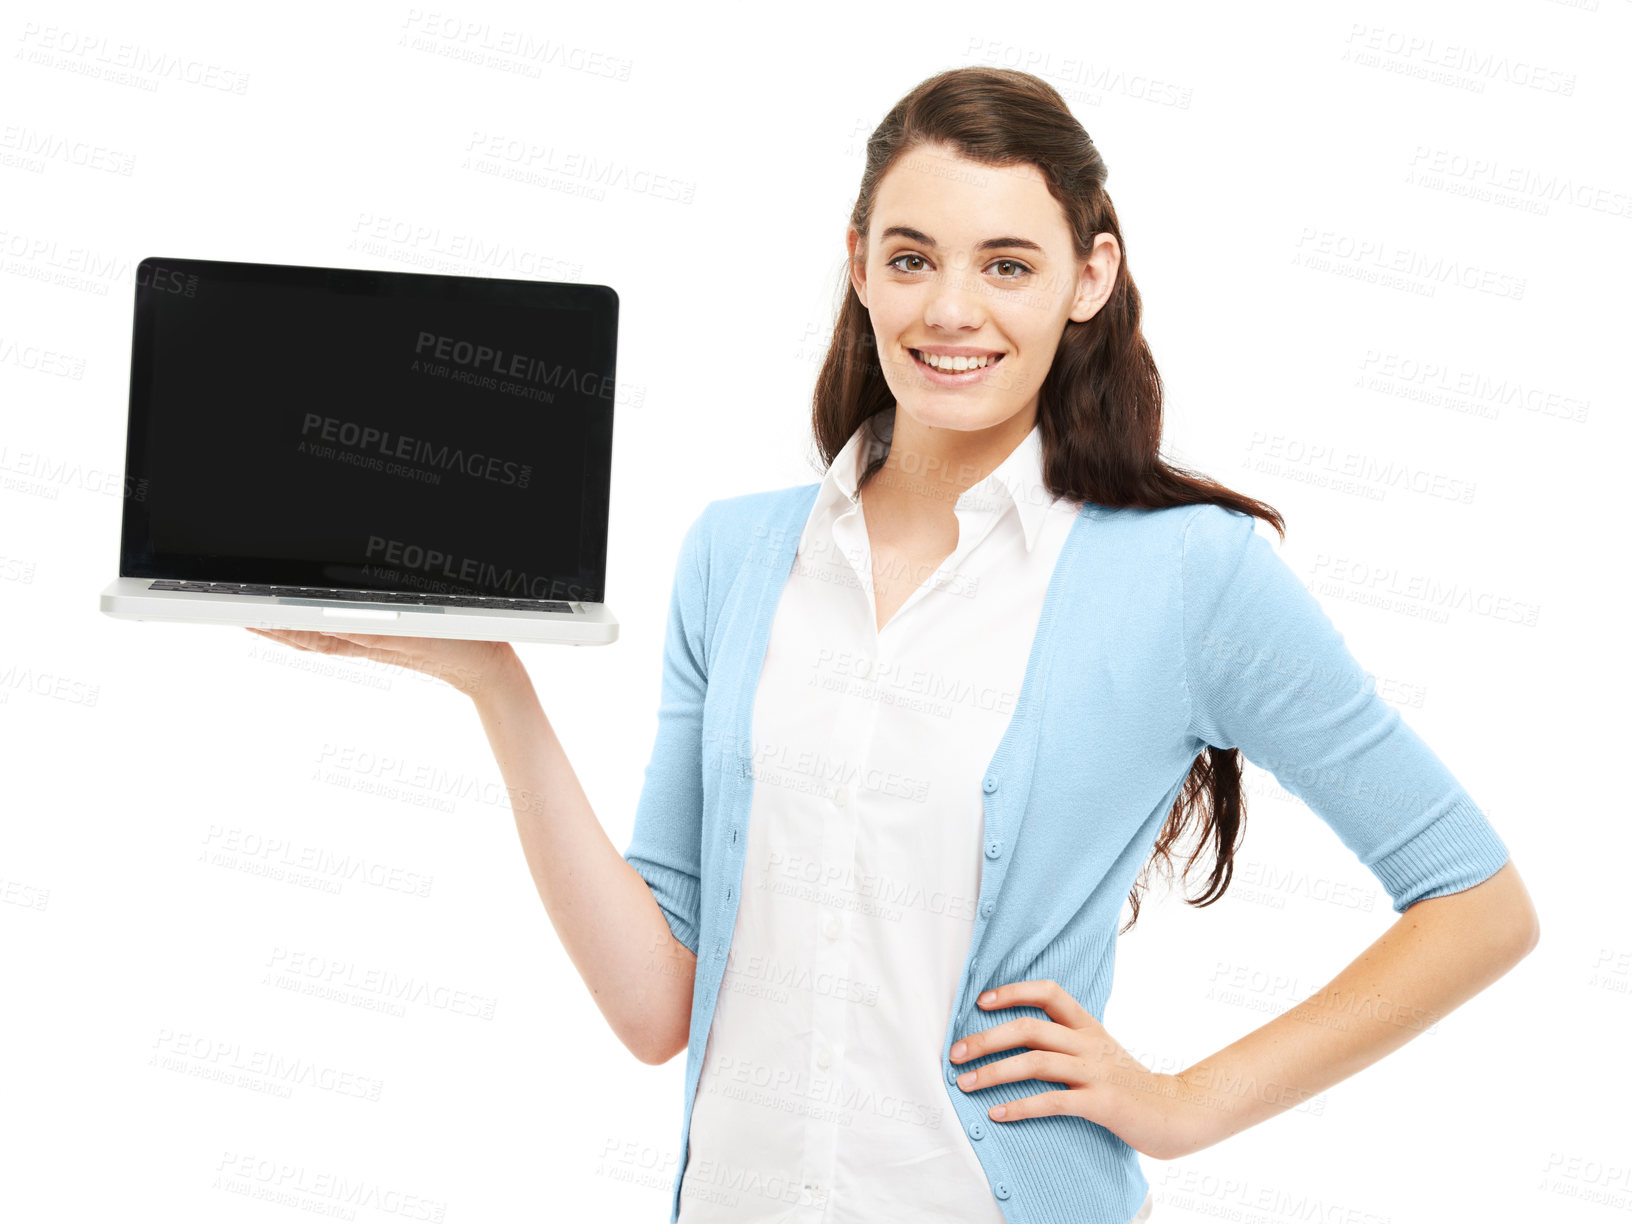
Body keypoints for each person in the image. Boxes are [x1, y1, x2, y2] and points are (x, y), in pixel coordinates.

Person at [249, 66, 1538, 1224]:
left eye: (1010, 264)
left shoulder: (1186, 577)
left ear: (1091, 277)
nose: (952, 309)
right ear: (858, 262)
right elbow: (658, 1006)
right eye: (914, 258)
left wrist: (1184, 1106)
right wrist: (497, 687)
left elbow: (1476, 901)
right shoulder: (735, 557)